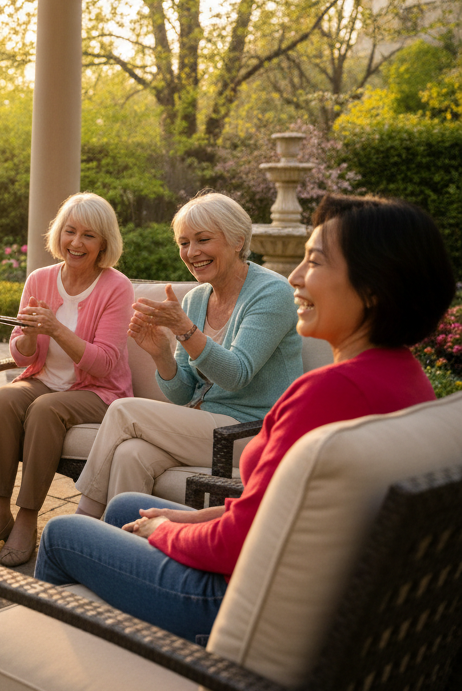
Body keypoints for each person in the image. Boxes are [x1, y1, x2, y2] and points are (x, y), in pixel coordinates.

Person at [34, 194, 454, 642]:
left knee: (63, 532)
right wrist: (160, 353)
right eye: (184, 241)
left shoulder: (324, 393)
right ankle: (111, 606)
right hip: (283, 571)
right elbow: (266, 509)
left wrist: (164, 533)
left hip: (230, 598)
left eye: (314, 261)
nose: (294, 277)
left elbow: (236, 539)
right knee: (126, 498)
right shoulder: (409, 384)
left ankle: (60, 629)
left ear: (373, 288)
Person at [72, 192, 303, 519]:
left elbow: (236, 375)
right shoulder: (197, 299)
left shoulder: (271, 293)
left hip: (252, 433)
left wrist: (185, 331)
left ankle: (84, 520)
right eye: (183, 243)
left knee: (124, 411)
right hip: (207, 424)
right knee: (130, 454)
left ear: (238, 240)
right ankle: (129, 550)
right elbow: (182, 394)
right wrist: (162, 355)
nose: (191, 253)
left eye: (203, 240)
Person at [0, 193, 134, 566]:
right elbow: (23, 354)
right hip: (44, 379)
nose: (76, 243)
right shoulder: (40, 279)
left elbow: (105, 364)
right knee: (4, 399)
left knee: (44, 410)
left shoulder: (116, 287)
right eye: (70, 231)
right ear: (59, 234)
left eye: (89, 236)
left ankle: (27, 518)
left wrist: (56, 329)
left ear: (104, 243)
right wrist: (26, 335)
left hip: (97, 392)